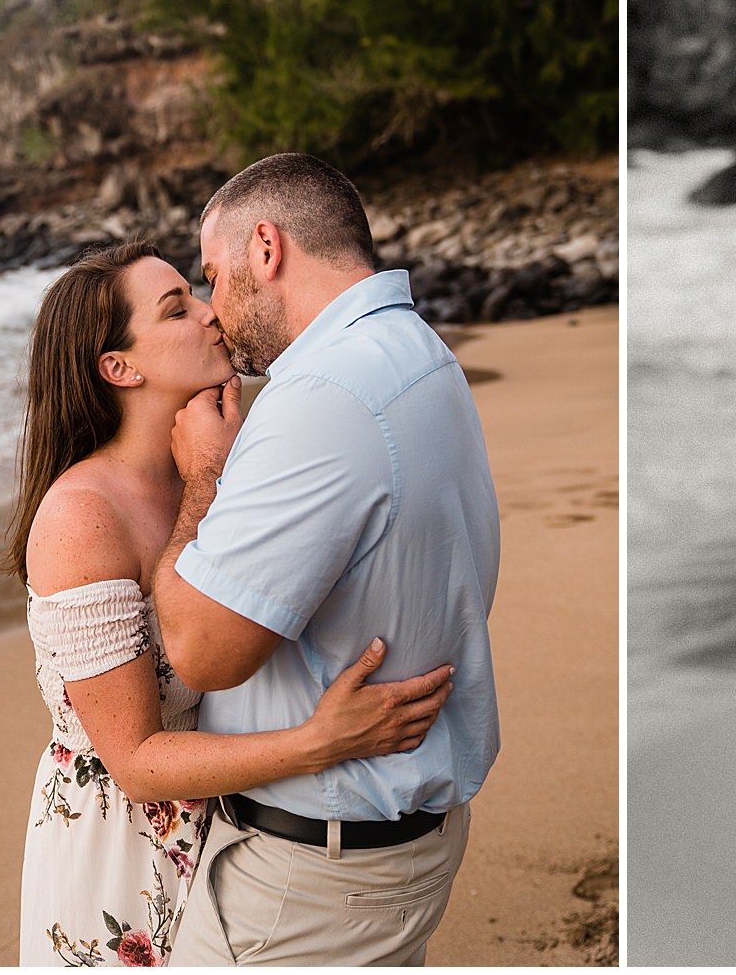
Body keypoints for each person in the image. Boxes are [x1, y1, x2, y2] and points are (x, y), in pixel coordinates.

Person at [9, 240, 455, 967]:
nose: (214, 314)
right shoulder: (82, 519)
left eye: (198, 293)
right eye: (177, 308)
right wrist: (322, 741)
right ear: (120, 368)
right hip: (124, 852)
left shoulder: (220, 464)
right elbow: (136, 763)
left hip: (235, 832)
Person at [150, 153, 501, 966]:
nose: (211, 310)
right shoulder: (415, 352)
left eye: (211, 275)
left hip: (311, 882)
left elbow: (202, 651)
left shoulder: (322, 399)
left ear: (264, 250)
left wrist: (205, 476)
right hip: (387, 848)